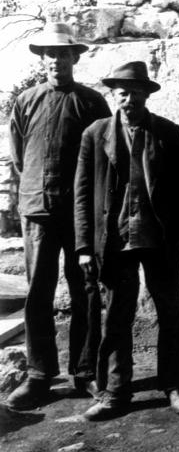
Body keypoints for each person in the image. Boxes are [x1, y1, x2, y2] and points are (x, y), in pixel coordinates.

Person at [73, 61, 179, 419]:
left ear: (146, 95)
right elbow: (83, 194)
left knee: (171, 312)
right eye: (123, 93)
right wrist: (84, 247)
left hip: (160, 238)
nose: (130, 100)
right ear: (114, 96)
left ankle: (175, 385)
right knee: (117, 316)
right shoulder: (95, 134)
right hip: (115, 241)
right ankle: (115, 392)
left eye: (136, 93)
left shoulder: (167, 133)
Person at [6, 23, 111, 410]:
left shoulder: (91, 102)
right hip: (37, 209)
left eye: (63, 54)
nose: (56, 61)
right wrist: (38, 188)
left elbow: (104, 156)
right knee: (38, 291)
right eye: (50, 54)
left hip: (79, 212)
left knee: (86, 288)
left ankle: (85, 371)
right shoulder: (26, 100)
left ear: (74, 58)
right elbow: (19, 158)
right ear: (42, 59)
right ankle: (39, 375)